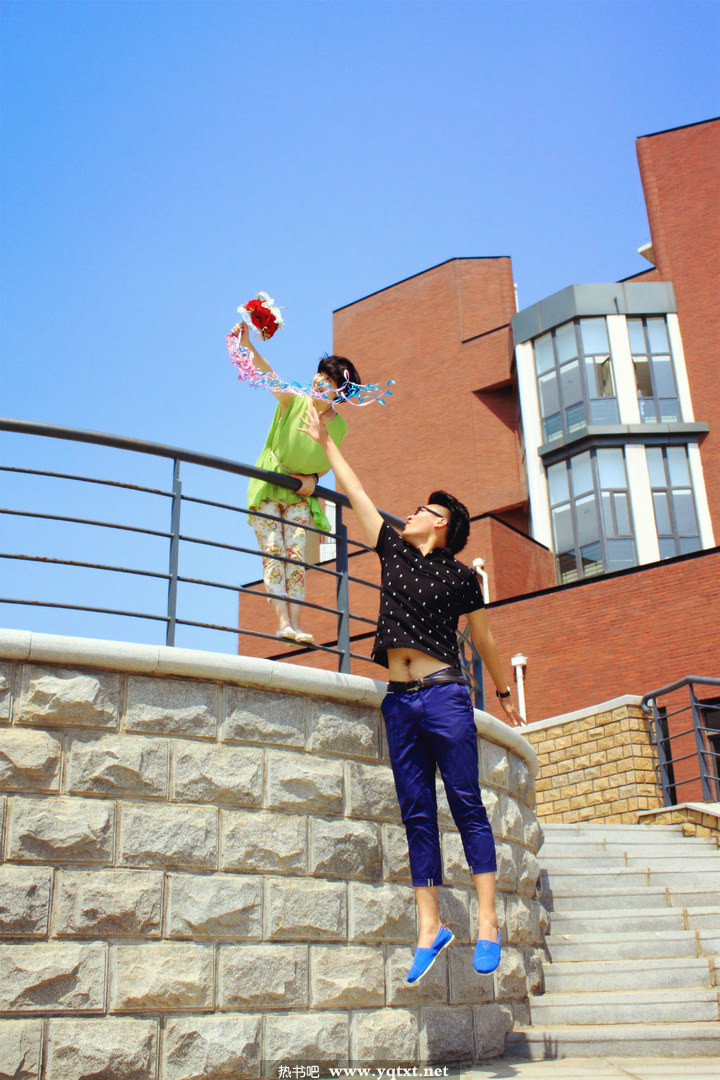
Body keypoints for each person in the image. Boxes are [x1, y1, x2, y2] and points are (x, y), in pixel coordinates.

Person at [300, 401, 525, 984]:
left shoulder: (462, 577)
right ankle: (430, 927)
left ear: (442, 523)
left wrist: (503, 687)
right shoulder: (393, 550)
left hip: (445, 695)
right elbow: (356, 492)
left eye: (424, 509)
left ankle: (488, 922)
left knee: (466, 803)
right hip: (398, 701)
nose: (412, 512)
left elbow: (484, 638)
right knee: (416, 812)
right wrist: (325, 442)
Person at [231, 323, 361, 644]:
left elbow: (328, 461)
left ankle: (297, 624)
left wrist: (313, 479)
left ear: (340, 393)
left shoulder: (339, 427)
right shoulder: (295, 400)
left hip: (301, 494)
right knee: (273, 550)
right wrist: (248, 344)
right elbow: (269, 375)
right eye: (319, 374)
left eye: (329, 380)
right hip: (269, 483)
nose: (319, 381)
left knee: (296, 556)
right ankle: (282, 623)